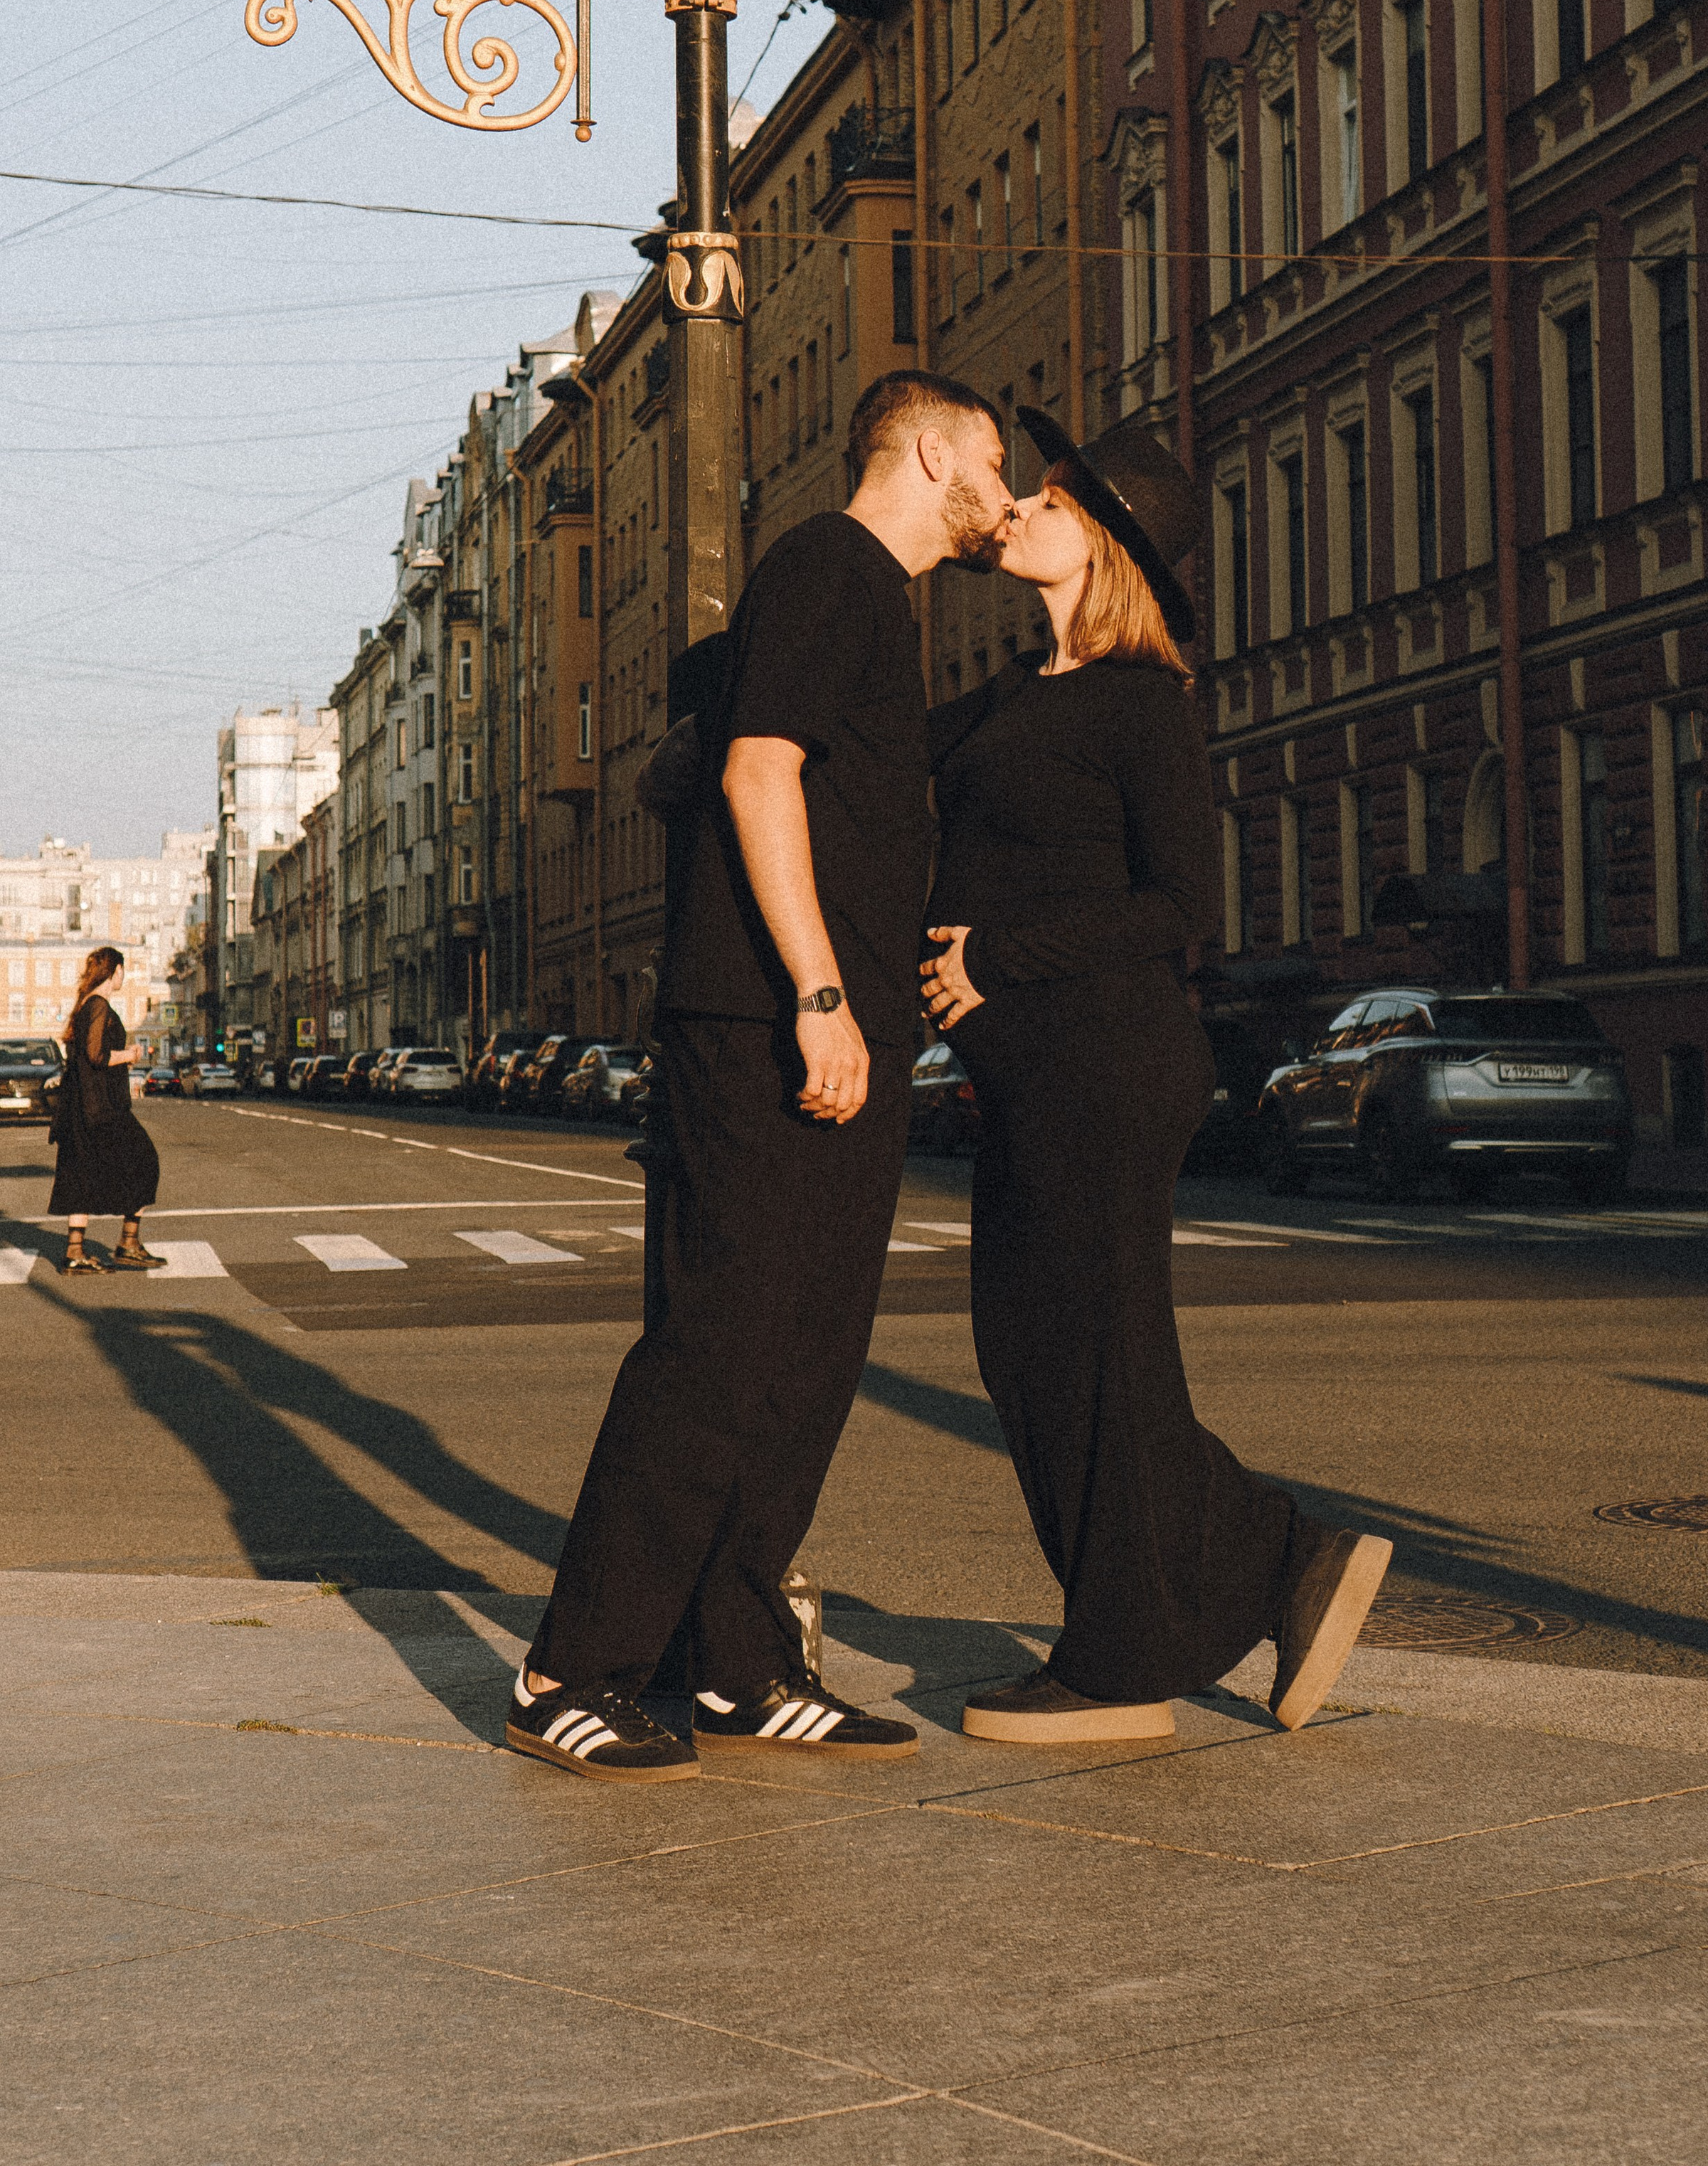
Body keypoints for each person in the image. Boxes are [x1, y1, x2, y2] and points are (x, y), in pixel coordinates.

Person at [509, 369, 1014, 1783]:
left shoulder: (878, 606)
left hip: (844, 1032)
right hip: (765, 1025)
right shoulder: (826, 567)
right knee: (719, 1351)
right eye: (993, 460)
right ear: (930, 454)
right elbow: (755, 774)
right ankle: (570, 1669)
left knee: (807, 1359)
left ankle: (736, 1664)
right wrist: (817, 993)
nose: (1006, 491)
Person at [921, 409, 1391, 1743]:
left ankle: (1123, 1660)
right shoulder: (1016, 692)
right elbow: (875, 753)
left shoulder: (1141, 700)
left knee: (1099, 1358)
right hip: (1036, 1077)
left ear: (1106, 548)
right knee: (1034, 1354)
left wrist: (997, 955)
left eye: (1052, 502)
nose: (1022, 510)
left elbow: (1181, 904)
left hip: (1109, 1066)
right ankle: (1278, 1555)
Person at [48, 945, 163, 1273]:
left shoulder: (85, 1004)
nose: (123, 977)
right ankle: (128, 1243)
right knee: (145, 1161)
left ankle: (75, 1252)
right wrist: (129, 1055)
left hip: (81, 1107)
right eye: (123, 971)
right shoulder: (98, 1005)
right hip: (101, 1108)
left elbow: (87, 1056)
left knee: (80, 1176)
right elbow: (96, 1055)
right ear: (115, 971)